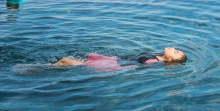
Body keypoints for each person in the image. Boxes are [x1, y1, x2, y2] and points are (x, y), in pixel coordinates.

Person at [53, 47, 187, 70]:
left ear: (171, 60)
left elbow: (134, 68)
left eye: (175, 52)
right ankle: (40, 67)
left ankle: (38, 69)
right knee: (77, 60)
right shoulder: (157, 55)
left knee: (66, 61)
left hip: (115, 65)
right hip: (115, 60)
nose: (172, 48)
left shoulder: (154, 62)